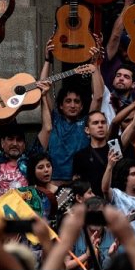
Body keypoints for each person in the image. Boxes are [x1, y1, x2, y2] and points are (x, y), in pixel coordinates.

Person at [41, 37, 104, 185]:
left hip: (78, 184)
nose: (73, 105)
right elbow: (42, 88)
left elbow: (98, 97)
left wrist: (94, 66)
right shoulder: (54, 119)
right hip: (53, 182)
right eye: (68, 101)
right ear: (61, 105)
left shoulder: (86, 123)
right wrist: (47, 60)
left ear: (82, 106)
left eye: (77, 101)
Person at [73, 110, 135, 198]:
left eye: (103, 122)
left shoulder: (114, 147)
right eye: (95, 123)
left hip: (119, 201)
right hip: (95, 203)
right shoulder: (80, 156)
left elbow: (134, 125)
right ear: (87, 130)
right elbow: (77, 185)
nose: (100, 126)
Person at [102, 152, 135, 241]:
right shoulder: (117, 195)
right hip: (124, 249)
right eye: (133, 174)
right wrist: (110, 166)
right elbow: (105, 189)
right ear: (124, 177)